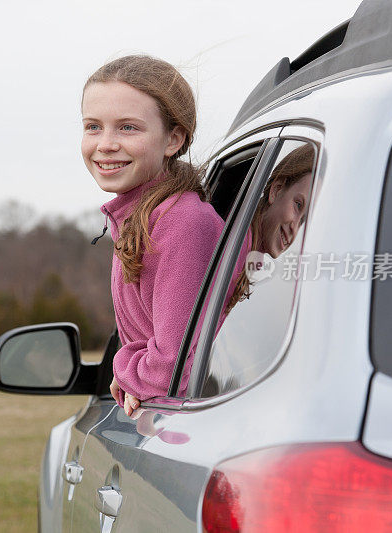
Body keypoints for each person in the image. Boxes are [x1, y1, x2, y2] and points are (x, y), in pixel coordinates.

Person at [81, 55, 246, 416]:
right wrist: (133, 375)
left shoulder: (180, 221)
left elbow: (170, 369)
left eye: (128, 128)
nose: (105, 144)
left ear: (173, 139)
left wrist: (126, 371)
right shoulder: (138, 219)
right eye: (93, 126)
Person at [226, 143, 315, 314]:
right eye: (298, 205)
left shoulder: (247, 255)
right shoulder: (235, 250)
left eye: (303, 220)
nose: (294, 228)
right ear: (276, 190)